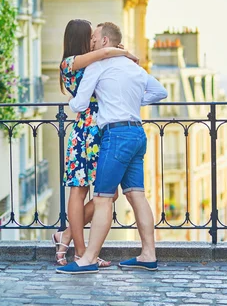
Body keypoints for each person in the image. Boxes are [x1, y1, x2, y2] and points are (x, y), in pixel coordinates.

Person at [56, 22, 167, 275]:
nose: (92, 41)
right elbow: (161, 92)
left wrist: (91, 101)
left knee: (103, 198)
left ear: (105, 40)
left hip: (115, 135)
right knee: (136, 194)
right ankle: (148, 254)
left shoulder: (98, 65)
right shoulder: (131, 67)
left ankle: (87, 259)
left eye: (95, 37)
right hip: (137, 133)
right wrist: (132, 100)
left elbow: (79, 103)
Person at [52, 19, 139, 267]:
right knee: (79, 191)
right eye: (90, 35)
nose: (93, 40)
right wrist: (124, 52)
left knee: (107, 195)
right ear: (80, 38)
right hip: (85, 131)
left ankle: (66, 235)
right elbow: (105, 51)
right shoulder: (70, 62)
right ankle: (80, 251)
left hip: (101, 131)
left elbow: (106, 54)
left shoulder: (95, 61)